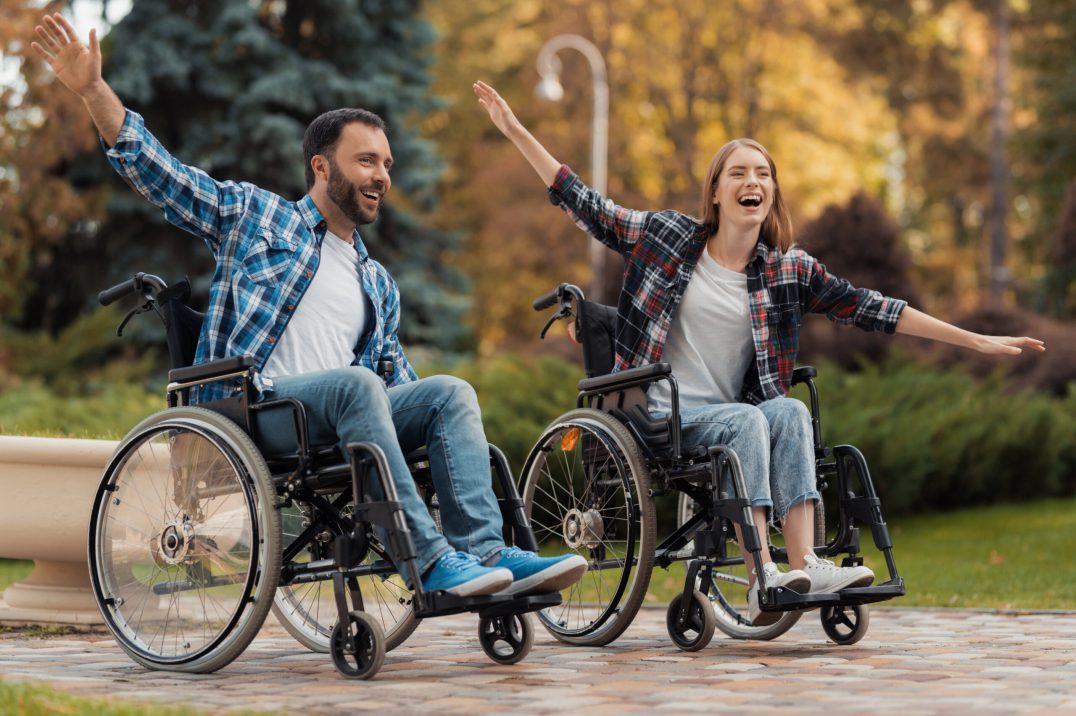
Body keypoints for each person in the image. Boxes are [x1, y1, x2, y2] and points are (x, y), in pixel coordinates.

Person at [30, 13, 588, 600]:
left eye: (387, 164)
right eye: (366, 161)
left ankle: (487, 555)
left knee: (450, 393)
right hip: (256, 410)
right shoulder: (255, 217)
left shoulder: (377, 282)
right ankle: (429, 564)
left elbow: (397, 381)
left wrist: (437, 447)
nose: (382, 176)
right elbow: (159, 174)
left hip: (336, 417)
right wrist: (93, 89)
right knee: (356, 385)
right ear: (322, 167)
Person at [473, 80, 1045, 625]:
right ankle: (760, 573)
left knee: (788, 409)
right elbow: (585, 204)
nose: (754, 181)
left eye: (764, 174)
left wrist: (973, 339)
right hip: (657, 414)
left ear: (770, 193)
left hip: (728, 413)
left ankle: (804, 565)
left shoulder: (786, 271)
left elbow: (873, 307)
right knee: (749, 420)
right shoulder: (668, 238)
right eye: (740, 172)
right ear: (717, 191)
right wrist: (516, 128)